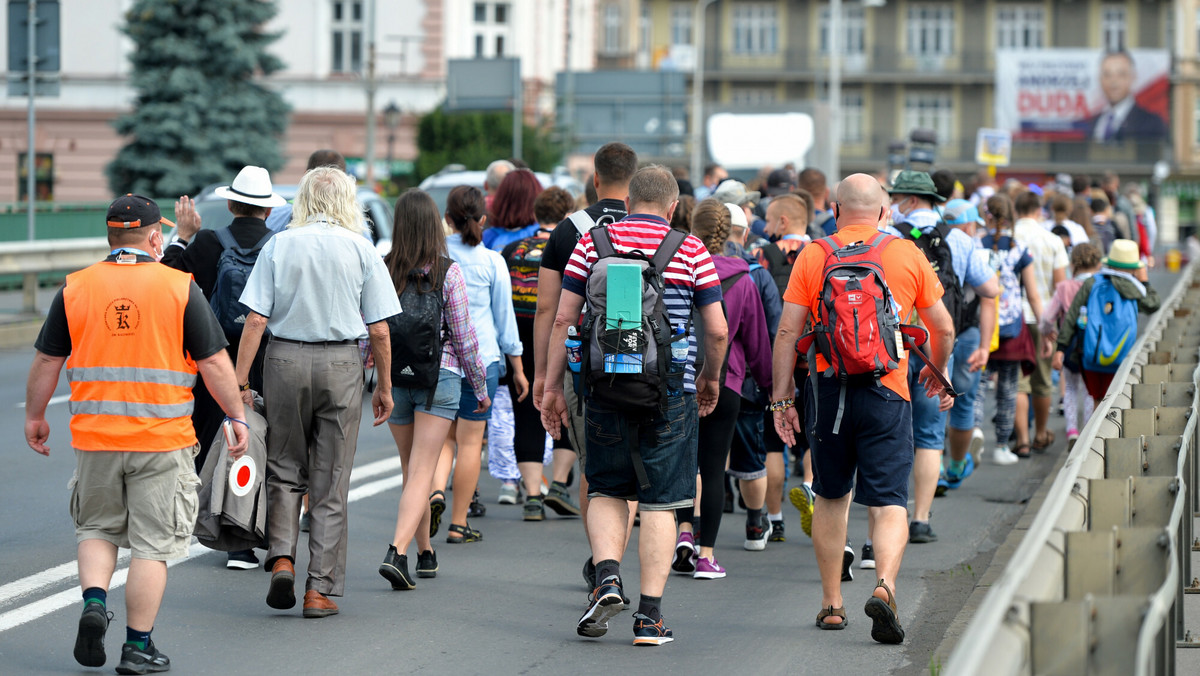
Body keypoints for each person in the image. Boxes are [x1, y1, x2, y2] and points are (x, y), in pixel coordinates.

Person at [26, 194, 249, 672]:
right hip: (162, 439)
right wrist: (236, 416)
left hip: (96, 438)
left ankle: (92, 603)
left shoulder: (75, 288)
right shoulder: (178, 287)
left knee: (96, 528)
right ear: (154, 238)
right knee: (152, 545)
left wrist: (35, 416)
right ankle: (138, 646)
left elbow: (47, 358)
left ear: (110, 237)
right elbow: (213, 361)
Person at [541, 165, 728, 646]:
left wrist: (553, 387)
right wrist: (709, 378)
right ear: (672, 207)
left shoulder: (591, 244)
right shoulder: (690, 249)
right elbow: (718, 329)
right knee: (662, 501)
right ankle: (649, 618)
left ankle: (606, 578)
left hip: (602, 388)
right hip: (670, 394)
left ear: (627, 203)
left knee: (605, 488)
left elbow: (564, 318)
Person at [771, 173, 953, 644]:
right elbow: (944, 327)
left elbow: (788, 333)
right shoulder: (905, 253)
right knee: (890, 501)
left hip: (828, 390)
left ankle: (832, 603)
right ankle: (885, 586)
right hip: (888, 390)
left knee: (832, 497)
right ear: (885, 213)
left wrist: (782, 398)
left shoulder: (814, 253)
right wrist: (936, 370)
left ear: (834, 210)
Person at [235, 166, 400, 619]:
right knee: (330, 482)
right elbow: (381, 329)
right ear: (348, 202)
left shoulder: (279, 245)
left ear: (304, 199)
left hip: (284, 361)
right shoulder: (361, 249)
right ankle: (318, 589)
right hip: (342, 365)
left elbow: (255, 320)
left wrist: (240, 382)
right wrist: (383, 386)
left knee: (284, 468)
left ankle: (282, 558)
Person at [164, 164, 287, 571]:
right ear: (267, 211)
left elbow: (167, 280)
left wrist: (183, 236)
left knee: (210, 443)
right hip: (267, 359)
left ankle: (202, 524)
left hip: (212, 360)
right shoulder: (280, 246)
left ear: (231, 203)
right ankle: (250, 541)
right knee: (260, 446)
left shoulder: (209, 244)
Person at [532, 142, 638, 586]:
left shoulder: (567, 230)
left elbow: (548, 311)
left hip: (580, 363)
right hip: (634, 360)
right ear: (633, 182)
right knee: (631, 468)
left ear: (594, 179)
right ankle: (611, 561)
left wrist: (543, 376)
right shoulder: (645, 228)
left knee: (592, 464)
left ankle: (601, 564)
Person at [378, 189, 490, 588]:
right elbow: (464, 338)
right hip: (438, 379)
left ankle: (425, 553)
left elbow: (368, 332)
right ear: (434, 225)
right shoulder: (449, 271)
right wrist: (479, 386)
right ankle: (397, 551)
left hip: (395, 380)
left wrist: (369, 376)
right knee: (423, 471)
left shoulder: (382, 268)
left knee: (414, 472)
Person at [889, 173, 999, 543]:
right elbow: (990, 289)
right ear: (933, 200)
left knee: (890, 429)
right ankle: (920, 519)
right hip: (937, 348)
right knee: (929, 434)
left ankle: (889, 513)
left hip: (893, 347)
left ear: (905, 198)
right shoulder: (959, 240)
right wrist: (982, 343)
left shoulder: (888, 236)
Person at [673, 199, 772, 578]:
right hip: (726, 380)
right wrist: (769, 388)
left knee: (683, 464)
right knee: (713, 469)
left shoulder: (676, 269)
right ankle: (706, 556)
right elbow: (758, 342)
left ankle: (683, 531)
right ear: (731, 232)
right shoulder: (744, 278)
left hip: (679, 377)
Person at [435, 185, 526, 540]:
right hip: (483, 359)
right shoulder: (493, 261)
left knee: (442, 439)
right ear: (483, 220)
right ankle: (459, 524)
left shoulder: (434, 257)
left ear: (447, 219)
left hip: (440, 361)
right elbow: (506, 321)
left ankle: (436, 491)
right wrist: (517, 369)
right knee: (471, 443)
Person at [499, 186, 582, 521]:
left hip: (518, 340)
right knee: (567, 407)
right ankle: (560, 482)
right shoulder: (571, 244)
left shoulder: (511, 250)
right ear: (568, 214)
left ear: (537, 213)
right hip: (557, 335)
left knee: (526, 415)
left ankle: (533, 494)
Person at [937, 200, 999, 495]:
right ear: (970, 226)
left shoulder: (926, 242)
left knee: (931, 399)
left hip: (932, 332)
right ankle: (956, 466)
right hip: (968, 332)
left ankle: (932, 463)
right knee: (962, 399)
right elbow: (989, 297)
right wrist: (985, 346)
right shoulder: (977, 250)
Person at [1054, 239, 1161, 401]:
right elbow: (1154, 304)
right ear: (1134, 268)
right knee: (1115, 402)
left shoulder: (1092, 282)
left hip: (1091, 357)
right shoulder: (1134, 289)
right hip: (1122, 359)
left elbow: (1072, 315)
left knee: (1097, 400)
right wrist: (1144, 281)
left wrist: (1060, 348)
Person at [982, 193, 1043, 463]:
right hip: (1011, 328)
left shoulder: (975, 244)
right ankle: (1002, 445)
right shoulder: (1020, 249)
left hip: (981, 325)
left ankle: (971, 430)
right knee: (1008, 388)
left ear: (987, 216)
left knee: (976, 386)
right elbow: (1032, 294)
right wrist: (1047, 326)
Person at [1013, 190, 1068, 454]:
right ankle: (1041, 433)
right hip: (1043, 315)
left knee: (1017, 381)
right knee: (1043, 380)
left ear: (1017, 210)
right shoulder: (1053, 240)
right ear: (1038, 211)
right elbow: (1060, 286)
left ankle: (1021, 439)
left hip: (1013, 317)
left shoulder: (1010, 237)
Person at [1039, 243, 1102, 447]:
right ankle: (1089, 431)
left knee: (1071, 389)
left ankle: (1072, 431)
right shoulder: (1100, 285)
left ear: (1073, 263)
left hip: (1070, 344)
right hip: (1094, 344)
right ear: (1098, 263)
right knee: (1089, 390)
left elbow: (1048, 317)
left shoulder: (1064, 287)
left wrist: (1048, 332)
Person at [1087, 51, 1168, 142]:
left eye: (1121, 75)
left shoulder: (1151, 122)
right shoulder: (1093, 122)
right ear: (1100, 79)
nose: (1113, 82)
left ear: (1133, 78)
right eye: (1107, 75)